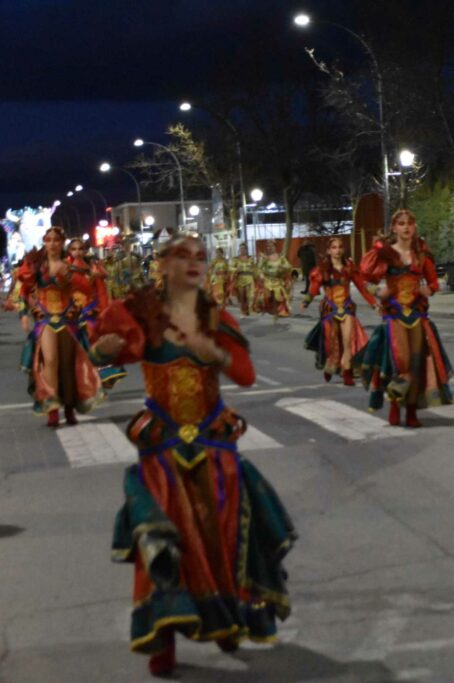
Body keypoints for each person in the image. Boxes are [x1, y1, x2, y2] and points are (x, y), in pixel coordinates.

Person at [91, 234, 297, 678]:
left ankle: (225, 622)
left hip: (214, 444)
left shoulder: (215, 316)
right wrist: (101, 351)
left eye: (200, 258)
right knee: (164, 540)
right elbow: (107, 353)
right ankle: (162, 638)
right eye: (183, 256)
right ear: (162, 264)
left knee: (222, 539)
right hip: (163, 446)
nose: (194, 264)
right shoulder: (143, 315)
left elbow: (244, 374)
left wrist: (214, 353)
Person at [359, 209, 454, 427]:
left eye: (410, 223)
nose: (406, 227)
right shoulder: (385, 254)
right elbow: (364, 278)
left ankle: (411, 411)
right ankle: (394, 403)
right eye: (401, 224)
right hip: (394, 314)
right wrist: (377, 292)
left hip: (418, 314)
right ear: (394, 228)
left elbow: (434, 283)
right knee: (401, 361)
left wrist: (428, 290)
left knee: (417, 363)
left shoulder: (420, 254)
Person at [17, 226, 104, 427]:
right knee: (50, 360)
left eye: (57, 240)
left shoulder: (71, 265)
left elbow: (86, 287)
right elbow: (24, 291)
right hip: (46, 319)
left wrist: (71, 275)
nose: (53, 243)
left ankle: (69, 407)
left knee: (67, 364)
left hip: (68, 319)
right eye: (49, 240)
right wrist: (23, 314)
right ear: (44, 242)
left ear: (62, 242)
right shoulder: (37, 266)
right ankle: (52, 409)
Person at [303, 237, 377, 385]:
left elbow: (361, 286)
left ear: (343, 250)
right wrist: (307, 300)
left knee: (348, 341)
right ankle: (329, 366)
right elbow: (314, 287)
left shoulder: (349, 267)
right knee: (332, 343)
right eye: (334, 247)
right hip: (329, 309)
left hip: (347, 307)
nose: (337, 250)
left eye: (339, 247)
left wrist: (374, 303)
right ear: (329, 250)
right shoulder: (322, 270)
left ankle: (347, 372)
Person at [66, 238, 126, 388]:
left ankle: (100, 376)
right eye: (74, 249)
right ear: (69, 251)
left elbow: (101, 291)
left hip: (91, 312)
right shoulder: (65, 269)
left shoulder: (93, 268)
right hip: (73, 313)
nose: (77, 252)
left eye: (80, 249)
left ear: (85, 250)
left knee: (94, 340)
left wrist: (104, 311)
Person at [258, 240, 294, 319]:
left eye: (272, 246)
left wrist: (282, 268)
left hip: (278, 281)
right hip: (268, 281)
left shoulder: (281, 258)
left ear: (275, 247)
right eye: (268, 246)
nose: (270, 248)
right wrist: (262, 275)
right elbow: (259, 268)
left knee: (279, 297)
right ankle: (269, 309)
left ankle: (279, 311)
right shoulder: (264, 258)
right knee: (266, 297)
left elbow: (289, 267)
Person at [229, 243, 258, 316]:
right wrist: (236, 269)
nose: (242, 250)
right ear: (239, 249)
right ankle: (243, 310)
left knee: (250, 295)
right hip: (240, 279)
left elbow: (255, 269)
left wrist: (258, 276)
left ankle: (248, 309)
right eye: (241, 248)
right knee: (242, 296)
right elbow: (230, 268)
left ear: (246, 250)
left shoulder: (250, 258)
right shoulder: (236, 259)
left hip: (249, 278)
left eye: (244, 248)